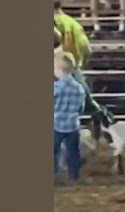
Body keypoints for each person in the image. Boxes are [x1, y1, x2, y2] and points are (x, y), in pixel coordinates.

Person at [54, 51, 87, 182]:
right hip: (73, 125)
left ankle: (55, 173)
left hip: (56, 124)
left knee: (53, 150)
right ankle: (74, 176)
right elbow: (81, 107)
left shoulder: (55, 88)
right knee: (73, 152)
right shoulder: (79, 88)